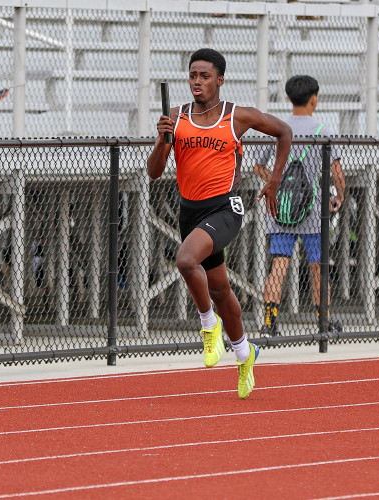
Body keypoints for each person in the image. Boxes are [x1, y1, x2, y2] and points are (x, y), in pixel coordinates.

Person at [146, 48, 292, 399]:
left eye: (204, 76)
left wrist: (274, 180)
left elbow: (284, 132)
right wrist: (162, 141)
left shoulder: (236, 116)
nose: (197, 81)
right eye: (192, 75)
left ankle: (208, 325)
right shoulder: (176, 116)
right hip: (190, 212)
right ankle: (244, 353)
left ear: (220, 80)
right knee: (221, 290)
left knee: (185, 260)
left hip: (225, 208)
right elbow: (154, 172)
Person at [254, 75, 345, 337]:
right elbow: (337, 173)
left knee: (279, 265)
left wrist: (276, 184)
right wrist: (339, 196)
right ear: (314, 99)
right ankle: (323, 320)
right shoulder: (322, 131)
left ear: (288, 98)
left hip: (281, 209)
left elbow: (258, 166)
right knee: (318, 267)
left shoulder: (278, 128)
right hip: (313, 211)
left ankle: (269, 322)